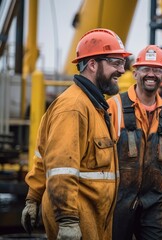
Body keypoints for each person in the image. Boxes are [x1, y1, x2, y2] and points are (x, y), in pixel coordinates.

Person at [21, 28, 131, 239]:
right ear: (92, 64)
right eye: (115, 63)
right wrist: (68, 220)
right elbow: (60, 168)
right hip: (78, 220)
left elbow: (43, 158)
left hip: (92, 217)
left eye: (122, 63)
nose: (122, 70)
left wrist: (33, 197)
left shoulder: (94, 106)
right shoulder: (74, 108)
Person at [106, 45, 162, 240]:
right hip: (117, 200)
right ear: (135, 72)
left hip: (154, 203)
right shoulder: (114, 106)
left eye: (157, 70)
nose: (151, 74)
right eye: (145, 69)